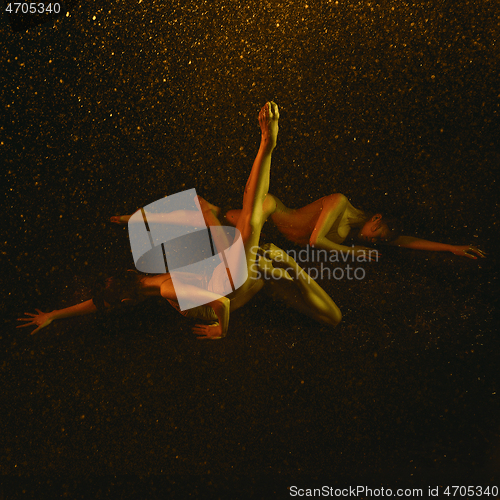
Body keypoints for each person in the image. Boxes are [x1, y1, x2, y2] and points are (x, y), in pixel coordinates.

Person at [18, 103, 342, 339]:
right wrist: (54, 315)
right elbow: (99, 303)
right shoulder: (146, 283)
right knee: (332, 319)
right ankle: (268, 254)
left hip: (238, 279)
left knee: (251, 223)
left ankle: (266, 145)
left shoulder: (166, 290)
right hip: (247, 275)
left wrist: (221, 331)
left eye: (118, 304)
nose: (116, 306)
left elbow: (223, 306)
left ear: (128, 298)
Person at [224, 193, 486, 260]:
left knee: (223, 233)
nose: (371, 241)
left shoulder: (357, 232)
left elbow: (405, 241)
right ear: (376, 218)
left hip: (274, 232)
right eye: (376, 235)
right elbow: (316, 241)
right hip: (272, 209)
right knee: (220, 218)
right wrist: (353, 252)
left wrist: (451, 247)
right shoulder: (339, 202)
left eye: (376, 242)